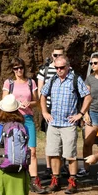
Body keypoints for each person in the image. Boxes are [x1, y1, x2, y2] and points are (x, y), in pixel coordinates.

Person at [40, 56, 91, 194]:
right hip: (54, 123)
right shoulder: (52, 80)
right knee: (54, 153)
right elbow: (43, 95)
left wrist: (80, 114)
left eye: (62, 67)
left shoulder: (75, 79)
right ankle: (55, 180)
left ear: (68, 66)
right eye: (56, 68)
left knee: (70, 154)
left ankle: (72, 182)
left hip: (69, 124)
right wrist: (44, 112)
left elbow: (87, 96)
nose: (59, 70)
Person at [3, 57, 44, 194]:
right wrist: (15, 103)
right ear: (12, 70)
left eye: (21, 67)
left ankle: (34, 180)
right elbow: (4, 101)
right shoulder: (9, 83)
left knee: (31, 150)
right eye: (16, 68)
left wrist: (29, 104)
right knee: (14, 149)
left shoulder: (31, 82)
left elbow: (36, 101)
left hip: (27, 118)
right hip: (14, 118)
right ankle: (15, 178)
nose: (19, 70)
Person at [37, 45, 66, 176]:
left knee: (64, 139)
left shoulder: (68, 69)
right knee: (50, 139)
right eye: (55, 55)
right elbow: (40, 91)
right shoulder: (45, 70)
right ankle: (49, 166)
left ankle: (62, 165)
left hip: (64, 108)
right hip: (49, 108)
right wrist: (43, 110)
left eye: (60, 55)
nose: (57, 58)